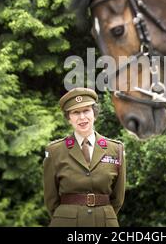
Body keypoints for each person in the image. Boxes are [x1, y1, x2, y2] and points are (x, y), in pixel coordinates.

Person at [43, 87, 126, 227]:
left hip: (104, 222)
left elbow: (117, 198)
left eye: (86, 110)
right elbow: (51, 199)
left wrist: (103, 214)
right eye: (75, 112)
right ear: (69, 118)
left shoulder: (115, 149)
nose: (82, 117)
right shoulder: (55, 151)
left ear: (94, 113)